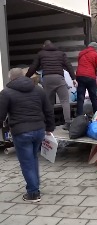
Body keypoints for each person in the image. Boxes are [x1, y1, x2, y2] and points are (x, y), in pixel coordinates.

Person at [0, 68, 55, 202]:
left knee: (26, 162)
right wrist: (49, 127)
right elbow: (48, 110)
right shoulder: (38, 89)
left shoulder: (6, 93)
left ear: (11, 78)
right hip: (38, 130)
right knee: (33, 158)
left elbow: (0, 115)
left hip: (21, 132)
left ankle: (33, 193)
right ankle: (35, 186)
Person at [26, 40, 77, 130]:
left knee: (48, 103)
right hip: (59, 78)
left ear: (44, 46)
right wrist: (73, 78)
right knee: (65, 101)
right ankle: (68, 123)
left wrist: (26, 77)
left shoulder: (41, 54)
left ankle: (50, 124)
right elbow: (68, 65)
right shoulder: (61, 53)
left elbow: (34, 67)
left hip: (47, 79)